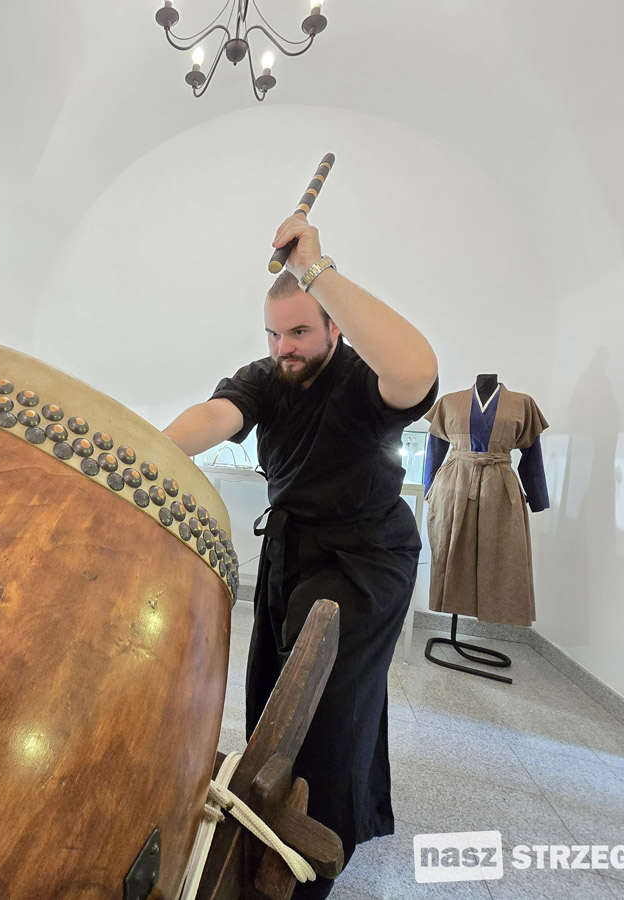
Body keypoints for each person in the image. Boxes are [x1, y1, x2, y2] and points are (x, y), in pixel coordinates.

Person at [163, 214, 438, 898]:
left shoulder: (362, 380)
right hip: (295, 549)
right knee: (276, 697)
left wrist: (318, 269)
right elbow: (215, 416)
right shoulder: (267, 377)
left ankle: (308, 859)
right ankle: (288, 816)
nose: (285, 347)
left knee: (322, 704)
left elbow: (419, 369)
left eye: (300, 332)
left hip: (369, 560)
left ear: (333, 329)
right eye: (275, 334)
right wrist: (145, 450)